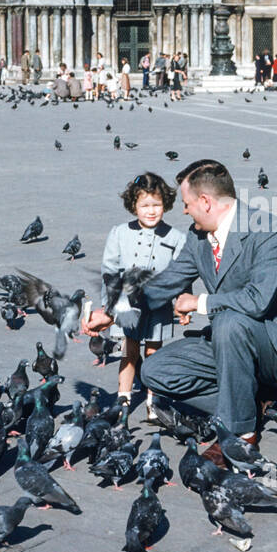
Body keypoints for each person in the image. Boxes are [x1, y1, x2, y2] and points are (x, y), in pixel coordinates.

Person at [84, 159, 277, 438]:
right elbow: (163, 284)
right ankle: (249, 402)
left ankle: (241, 435)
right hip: (226, 338)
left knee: (230, 322)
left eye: (186, 203)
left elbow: (257, 300)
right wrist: (111, 312)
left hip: (276, 344)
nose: (183, 210)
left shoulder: (268, 230)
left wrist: (199, 303)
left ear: (205, 201)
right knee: (155, 372)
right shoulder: (197, 237)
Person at [98, 172, 187, 413]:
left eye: (156, 205)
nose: (151, 211)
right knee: (129, 351)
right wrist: (109, 307)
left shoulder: (177, 237)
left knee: (154, 352)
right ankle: (123, 397)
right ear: (133, 205)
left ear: (165, 205)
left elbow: (182, 275)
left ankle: (152, 400)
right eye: (144, 205)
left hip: (158, 307)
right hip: (127, 306)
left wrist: (183, 303)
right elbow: (110, 271)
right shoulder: (119, 232)